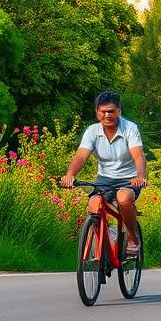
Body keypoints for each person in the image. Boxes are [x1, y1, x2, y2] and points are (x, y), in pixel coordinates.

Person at [61, 91, 146, 254]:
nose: (107, 115)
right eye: (103, 111)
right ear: (97, 112)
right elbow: (81, 155)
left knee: (124, 198)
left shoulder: (130, 128)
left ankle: (132, 237)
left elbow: (138, 155)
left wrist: (140, 177)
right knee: (94, 204)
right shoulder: (92, 131)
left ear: (119, 111)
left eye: (111, 111)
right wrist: (70, 175)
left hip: (129, 179)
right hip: (104, 179)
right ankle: (104, 246)